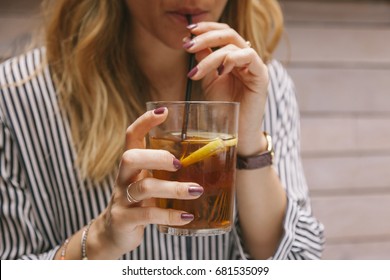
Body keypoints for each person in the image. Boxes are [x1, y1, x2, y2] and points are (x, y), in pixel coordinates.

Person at [0, 0, 324, 260]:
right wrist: (101, 240)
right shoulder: (16, 97)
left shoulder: (260, 81)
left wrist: (250, 144)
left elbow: (300, 259)